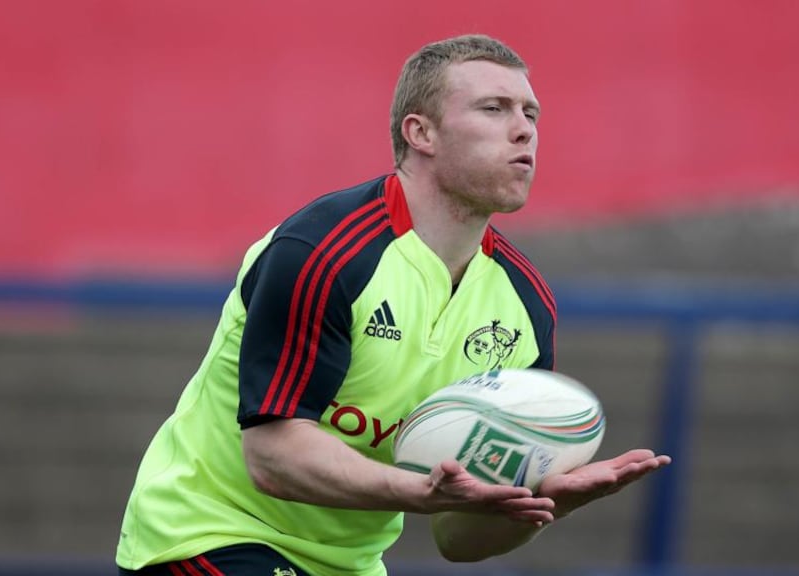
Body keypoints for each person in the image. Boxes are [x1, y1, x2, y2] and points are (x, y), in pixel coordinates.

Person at [116, 33, 670, 576]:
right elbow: (272, 457)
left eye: (531, 113)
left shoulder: (525, 304)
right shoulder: (322, 252)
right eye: (495, 108)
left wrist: (544, 503)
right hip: (207, 533)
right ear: (420, 132)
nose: (524, 130)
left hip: (351, 565)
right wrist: (419, 491)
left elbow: (458, 538)